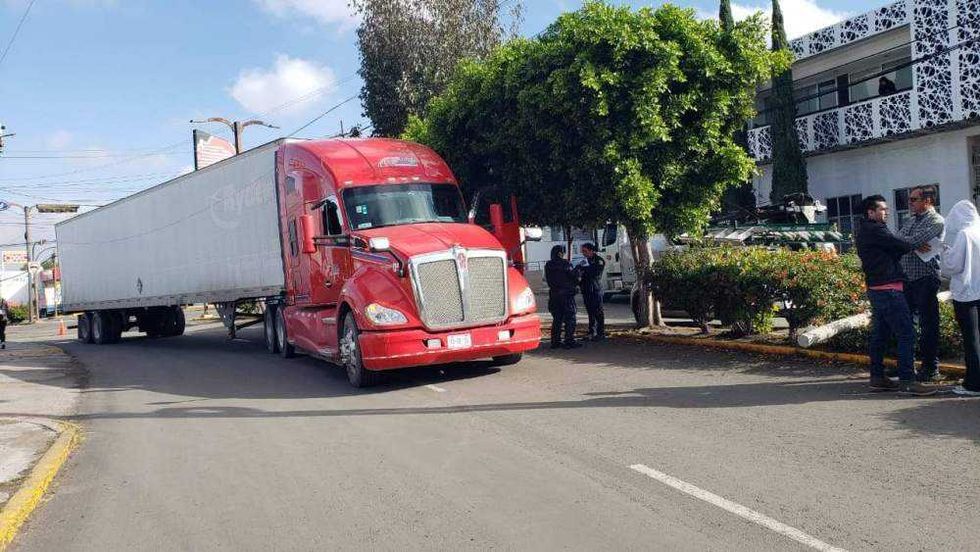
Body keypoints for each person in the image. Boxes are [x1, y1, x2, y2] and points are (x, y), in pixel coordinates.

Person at [854, 195, 936, 395]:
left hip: (878, 288)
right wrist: (917, 243)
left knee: (880, 335)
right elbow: (899, 244)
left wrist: (907, 246)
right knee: (906, 333)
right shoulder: (876, 229)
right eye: (882, 209)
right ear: (870, 212)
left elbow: (893, 249)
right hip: (888, 288)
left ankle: (877, 377)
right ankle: (908, 380)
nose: (887, 212)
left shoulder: (866, 230)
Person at [897, 185, 944, 382]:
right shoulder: (910, 220)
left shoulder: (936, 220)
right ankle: (907, 366)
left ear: (927, 201)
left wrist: (911, 242)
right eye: (910, 199)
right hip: (908, 278)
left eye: (914, 199)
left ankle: (930, 368)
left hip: (926, 278)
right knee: (907, 325)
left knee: (928, 325)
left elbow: (913, 239)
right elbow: (897, 238)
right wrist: (913, 243)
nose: (909, 203)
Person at [940, 200, 980, 396]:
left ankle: (974, 384)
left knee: (971, 339)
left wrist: (945, 251)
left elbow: (953, 266)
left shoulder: (965, 234)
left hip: (967, 294)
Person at [545, 245, 580, 349]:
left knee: (557, 319)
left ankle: (555, 341)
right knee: (570, 318)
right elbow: (574, 277)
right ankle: (569, 340)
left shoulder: (548, 265)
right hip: (566, 295)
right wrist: (578, 270)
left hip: (554, 295)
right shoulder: (565, 264)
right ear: (560, 253)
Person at [578, 243, 606, 341]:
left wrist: (585, 270)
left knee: (598, 312)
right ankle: (591, 332)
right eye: (583, 251)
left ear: (591, 250)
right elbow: (578, 271)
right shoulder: (584, 261)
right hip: (586, 289)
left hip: (595, 289)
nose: (583, 253)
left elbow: (595, 273)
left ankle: (600, 333)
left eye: (585, 251)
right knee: (590, 312)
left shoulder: (599, 261)